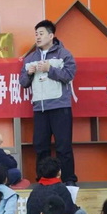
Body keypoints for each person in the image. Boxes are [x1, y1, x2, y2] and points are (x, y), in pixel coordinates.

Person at [19, 20, 77, 186]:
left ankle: (68, 180)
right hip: (40, 109)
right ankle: (43, 180)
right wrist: (29, 73)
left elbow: (69, 75)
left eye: (41, 33)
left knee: (63, 147)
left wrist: (49, 69)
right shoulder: (30, 58)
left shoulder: (64, 54)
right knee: (40, 147)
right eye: (36, 34)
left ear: (51, 36)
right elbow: (23, 82)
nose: (37, 37)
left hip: (60, 107)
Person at [26, 157, 90, 214]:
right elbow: (69, 211)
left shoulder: (35, 189)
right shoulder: (61, 187)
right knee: (81, 213)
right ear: (59, 172)